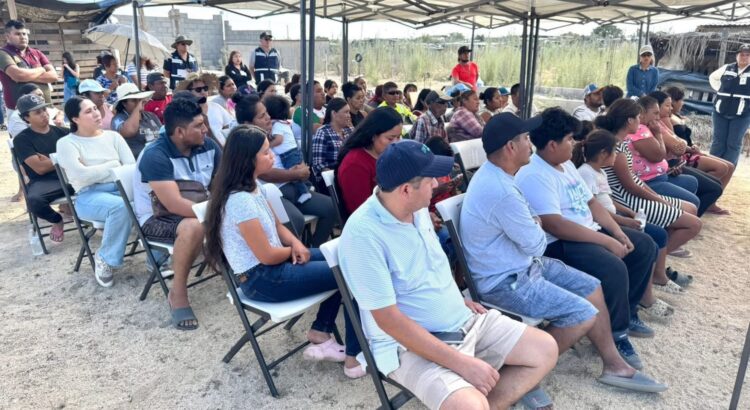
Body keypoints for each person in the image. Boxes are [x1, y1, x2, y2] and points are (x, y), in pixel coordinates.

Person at [339, 140, 558, 410]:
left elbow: (432, 267)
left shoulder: (416, 209)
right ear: (406, 190)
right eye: (430, 179)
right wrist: (462, 364)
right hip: (405, 346)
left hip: (462, 320)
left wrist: (455, 299)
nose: (436, 184)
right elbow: (389, 321)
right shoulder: (363, 235)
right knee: (470, 406)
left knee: (545, 349)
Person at [462, 113, 667, 395]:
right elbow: (537, 243)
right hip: (505, 281)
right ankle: (517, 370)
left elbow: (535, 228)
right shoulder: (502, 189)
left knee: (592, 287)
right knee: (582, 314)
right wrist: (535, 223)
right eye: (525, 139)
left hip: (524, 266)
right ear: (511, 146)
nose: (530, 144)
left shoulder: (501, 177)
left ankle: (613, 365)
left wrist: (534, 222)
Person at [204, 125, 363, 377]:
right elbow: (266, 256)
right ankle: (354, 357)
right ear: (247, 159)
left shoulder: (252, 187)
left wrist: (297, 244)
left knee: (342, 258)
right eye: (266, 152)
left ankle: (321, 330)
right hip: (262, 279)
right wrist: (291, 252)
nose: (272, 156)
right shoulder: (239, 201)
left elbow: (277, 225)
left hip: (273, 266)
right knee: (350, 273)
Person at [515, 108, 660, 370]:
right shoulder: (534, 174)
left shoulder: (567, 165)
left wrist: (617, 232)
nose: (575, 144)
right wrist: (606, 241)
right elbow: (556, 225)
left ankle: (626, 312)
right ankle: (617, 334)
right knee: (612, 266)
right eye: (569, 139)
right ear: (552, 144)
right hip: (559, 244)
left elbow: (592, 202)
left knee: (644, 245)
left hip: (588, 231)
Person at [572, 130, 685, 312]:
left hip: (613, 217)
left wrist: (629, 213)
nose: (616, 156)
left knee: (656, 237)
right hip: (602, 222)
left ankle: (650, 286)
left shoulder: (600, 172)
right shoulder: (586, 173)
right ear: (603, 153)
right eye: (614, 152)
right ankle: (642, 298)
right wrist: (623, 221)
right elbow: (593, 208)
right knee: (649, 244)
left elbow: (608, 199)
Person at [134, 97, 221, 330]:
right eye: (199, 125)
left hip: (200, 208)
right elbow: (173, 205)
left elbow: (224, 183)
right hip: (157, 218)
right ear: (180, 132)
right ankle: (178, 291)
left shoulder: (209, 146)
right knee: (194, 227)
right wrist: (215, 214)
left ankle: (245, 273)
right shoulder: (155, 155)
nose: (205, 129)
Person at [595, 99, 702, 267]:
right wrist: (659, 200)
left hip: (632, 192)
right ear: (629, 120)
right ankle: (656, 264)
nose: (640, 121)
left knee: (691, 208)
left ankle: (659, 261)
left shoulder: (621, 142)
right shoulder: (616, 146)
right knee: (694, 224)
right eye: (638, 117)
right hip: (626, 199)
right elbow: (630, 186)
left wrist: (657, 197)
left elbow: (633, 179)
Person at [235, 94, 337, 247]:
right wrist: (296, 174)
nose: (268, 118)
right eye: (262, 116)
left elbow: (294, 151)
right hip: (272, 194)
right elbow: (266, 174)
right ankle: (295, 254)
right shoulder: (246, 144)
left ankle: (315, 249)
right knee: (296, 220)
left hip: (293, 186)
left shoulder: (276, 131)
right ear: (247, 123)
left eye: (267, 113)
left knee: (330, 207)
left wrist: (301, 168)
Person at [56, 96, 135, 287]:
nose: (96, 113)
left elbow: (130, 167)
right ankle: (106, 259)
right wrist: (113, 165)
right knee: (121, 207)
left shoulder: (113, 137)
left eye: (95, 108)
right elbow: (80, 176)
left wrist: (94, 170)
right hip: (89, 195)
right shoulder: (66, 143)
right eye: (88, 111)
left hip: (122, 188)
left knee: (152, 201)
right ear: (75, 119)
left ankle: (156, 258)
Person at [665, 85, 735, 213]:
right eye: (681, 100)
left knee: (730, 166)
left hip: (690, 150)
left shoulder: (676, 116)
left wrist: (693, 147)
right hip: (684, 154)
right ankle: (703, 197)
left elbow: (682, 138)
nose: (683, 103)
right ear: (674, 101)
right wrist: (691, 149)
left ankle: (711, 202)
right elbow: (674, 142)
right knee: (722, 168)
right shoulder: (667, 119)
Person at [626, 95, 702, 211]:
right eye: (655, 113)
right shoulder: (640, 129)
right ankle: (676, 217)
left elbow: (677, 145)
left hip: (659, 175)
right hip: (648, 181)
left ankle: (677, 215)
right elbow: (659, 156)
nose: (658, 117)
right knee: (694, 201)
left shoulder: (648, 126)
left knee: (692, 182)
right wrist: (658, 134)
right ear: (642, 113)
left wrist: (666, 168)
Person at [12, 94, 71, 242]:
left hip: (70, 176)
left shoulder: (64, 132)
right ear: (26, 118)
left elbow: (80, 157)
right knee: (34, 201)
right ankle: (57, 220)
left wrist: (51, 160)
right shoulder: (22, 139)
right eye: (37, 112)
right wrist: (63, 158)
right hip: (44, 181)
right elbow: (40, 169)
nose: (44, 114)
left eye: (44, 109)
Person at [336, 107, 402, 215]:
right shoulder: (355, 164)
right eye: (390, 138)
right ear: (373, 136)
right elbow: (360, 209)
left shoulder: (388, 156)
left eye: (399, 137)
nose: (396, 143)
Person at [0, 20, 58, 112]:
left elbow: (54, 76)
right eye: (18, 34)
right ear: (7, 36)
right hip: (20, 111)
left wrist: (26, 76)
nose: (23, 37)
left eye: (24, 34)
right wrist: (41, 69)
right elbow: (18, 75)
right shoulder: (3, 53)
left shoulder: (37, 53)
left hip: (45, 107)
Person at [709, 43, 750, 166]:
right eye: (742, 54)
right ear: (737, 56)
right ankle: (712, 167)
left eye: (747, 55)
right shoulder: (727, 68)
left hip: (742, 114)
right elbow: (712, 78)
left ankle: (726, 169)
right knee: (718, 142)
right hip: (720, 111)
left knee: (733, 144)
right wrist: (721, 91)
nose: (744, 57)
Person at [266, 94, 311, 204]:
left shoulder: (277, 125)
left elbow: (279, 140)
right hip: (291, 153)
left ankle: (305, 192)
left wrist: (268, 144)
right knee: (296, 172)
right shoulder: (283, 123)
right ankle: (307, 187)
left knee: (295, 173)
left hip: (288, 154)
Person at [176, 72, 235, 146]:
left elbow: (229, 127)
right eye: (198, 90)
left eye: (205, 88)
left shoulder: (216, 107)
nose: (203, 92)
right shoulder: (185, 112)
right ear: (188, 92)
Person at [310, 98, 353, 190]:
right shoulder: (323, 132)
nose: (349, 115)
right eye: (346, 112)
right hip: (332, 181)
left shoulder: (349, 130)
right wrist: (337, 176)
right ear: (334, 113)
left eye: (349, 112)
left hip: (350, 173)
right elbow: (319, 164)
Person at [111, 83, 161, 158]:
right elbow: (129, 132)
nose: (139, 103)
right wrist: (137, 108)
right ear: (124, 104)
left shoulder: (151, 116)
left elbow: (162, 135)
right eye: (134, 100)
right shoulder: (118, 119)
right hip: (136, 161)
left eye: (140, 99)